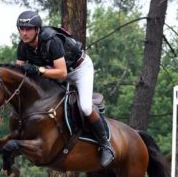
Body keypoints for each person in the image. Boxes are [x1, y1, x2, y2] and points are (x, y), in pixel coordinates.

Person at [15, 10, 115, 168]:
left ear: (37, 30)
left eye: (28, 29)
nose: (24, 33)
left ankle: (105, 145)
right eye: (21, 29)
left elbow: (62, 73)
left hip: (79, 70)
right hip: (55, 72)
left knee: (85, 107)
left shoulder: (51, 40)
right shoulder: (23, 46)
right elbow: (18, 73)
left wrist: (38, 70)